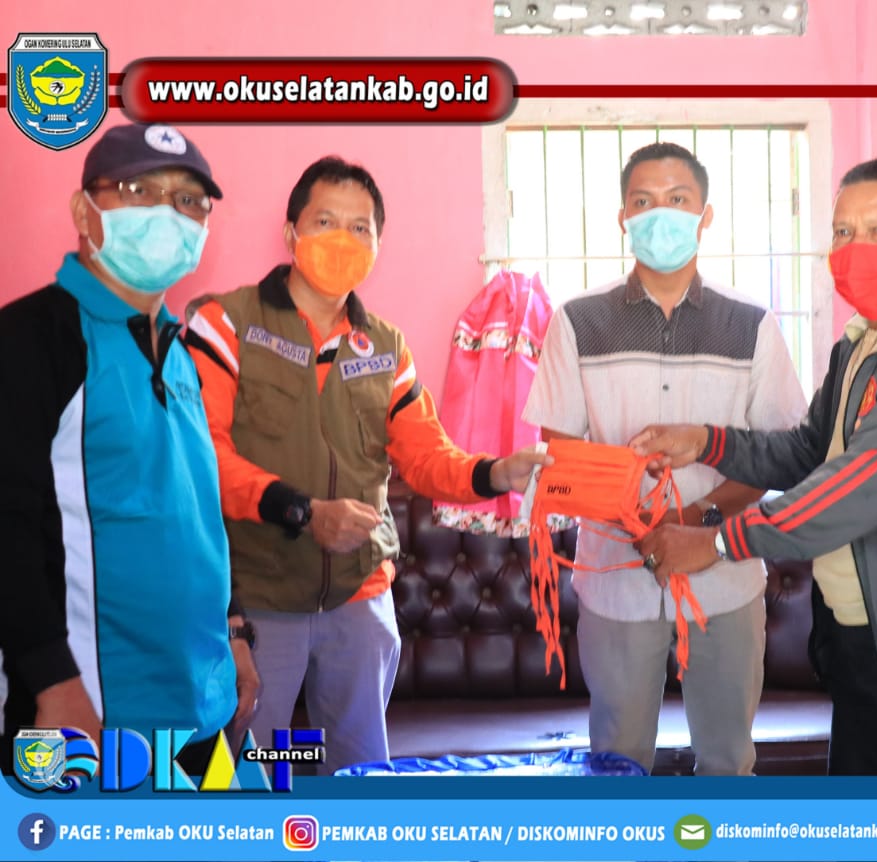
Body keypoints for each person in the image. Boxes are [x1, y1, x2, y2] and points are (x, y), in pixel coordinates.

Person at [631, 156, 877, 776]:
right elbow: (808, 451)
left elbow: (859, 484)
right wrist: (707, 442)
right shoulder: (859, 345)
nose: (855, 249)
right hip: (861, 645)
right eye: (843, 232)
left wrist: (715, 541)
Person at [185, 156, 547, 774]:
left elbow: (427, 457)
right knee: (249, 773)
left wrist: (495, 472)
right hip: (258, 600)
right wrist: (303, 512)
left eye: (361, 228)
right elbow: (202, 458)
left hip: (360, 599)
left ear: (378, 244)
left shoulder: (385, 345)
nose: (342, 240)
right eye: (325, 221)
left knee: (359, 776)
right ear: (291, 233)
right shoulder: (226, 324)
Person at [522, 142, 808, 775]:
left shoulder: (752, 324)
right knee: (618, 763)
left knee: (728, 761)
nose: (661, 215)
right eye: (644, 202)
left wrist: (695, 522)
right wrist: (633, 511)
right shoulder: (577, 322)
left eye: (678, 200)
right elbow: (562, 455)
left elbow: (778, 453)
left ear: (705, 216)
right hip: (615, 579)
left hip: (726, 575)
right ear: (622, 218)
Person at [0, 123, 258, 775]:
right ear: (84, 210)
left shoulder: (182, 349)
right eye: (140, 191)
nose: (168, 213)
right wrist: (51, 679)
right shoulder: (29, 339)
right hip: (89, 715)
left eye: (189, 200)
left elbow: (198, 510)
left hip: (205, 706)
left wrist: (234, 631)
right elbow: (9, 526)